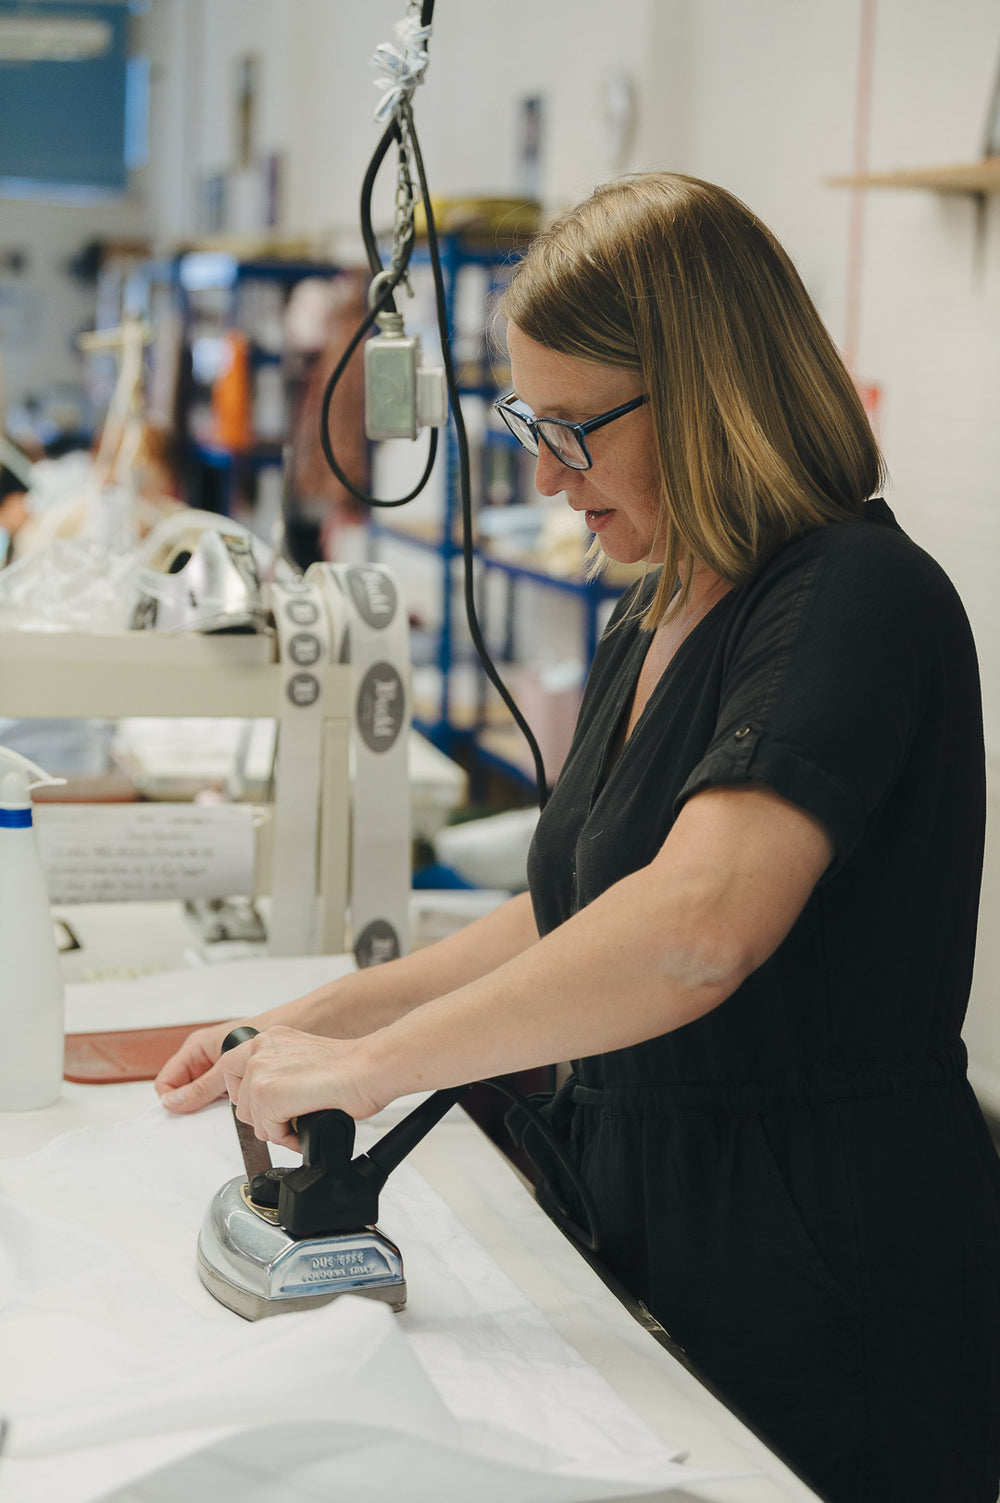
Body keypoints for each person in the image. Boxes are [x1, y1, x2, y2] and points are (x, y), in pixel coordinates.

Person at [155, 172, 1000, 1503]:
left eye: (572, 428)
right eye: (524, 422)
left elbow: (694, 928)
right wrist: (307, 1020)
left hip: (823, 1262)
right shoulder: (659, 604)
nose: (547, 475)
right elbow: (573, 903)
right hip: (650, 1211)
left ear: (708, 392)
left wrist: (374, 1066)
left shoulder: (854, 600)